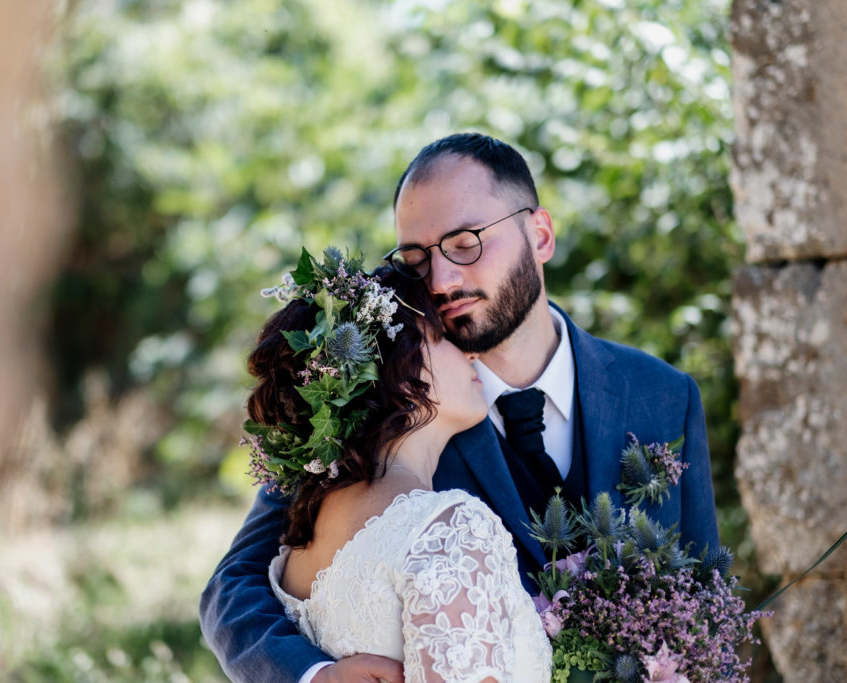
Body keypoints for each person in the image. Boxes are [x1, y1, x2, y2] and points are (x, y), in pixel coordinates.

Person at [200, 133, 720, 682]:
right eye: (417, 259)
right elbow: (233, 584)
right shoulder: (377, 410)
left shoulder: (664, 394)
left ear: (539, 235)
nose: (442, 280)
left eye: (466, 242)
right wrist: (314, 677)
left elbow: (706, 607)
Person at [238, 249, 551, 682]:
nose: (472, 354)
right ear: (403, 372)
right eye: (445, 338)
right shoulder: (447, 529)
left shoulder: (306, 528)